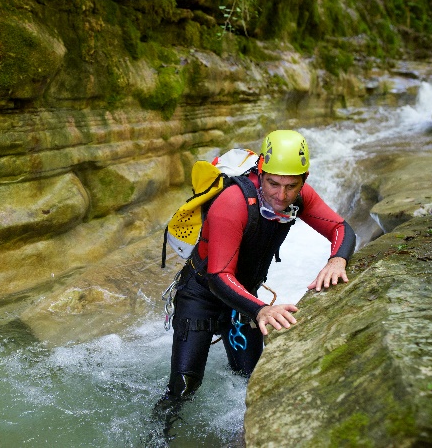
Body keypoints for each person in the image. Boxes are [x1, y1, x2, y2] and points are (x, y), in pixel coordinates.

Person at [153, 130, 356, 430]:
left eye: (291, 186)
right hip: (202, 297)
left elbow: (341, 228)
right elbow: (218, 277)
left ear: (304, 179)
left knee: (251, 380)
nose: (281, 195)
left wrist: (337, 259)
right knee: (183, 388)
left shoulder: (300, 196)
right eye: (273, 183)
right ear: (261, 171)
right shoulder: (232, 203)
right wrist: (262, 310)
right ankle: (156, 438)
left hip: (243, 299)